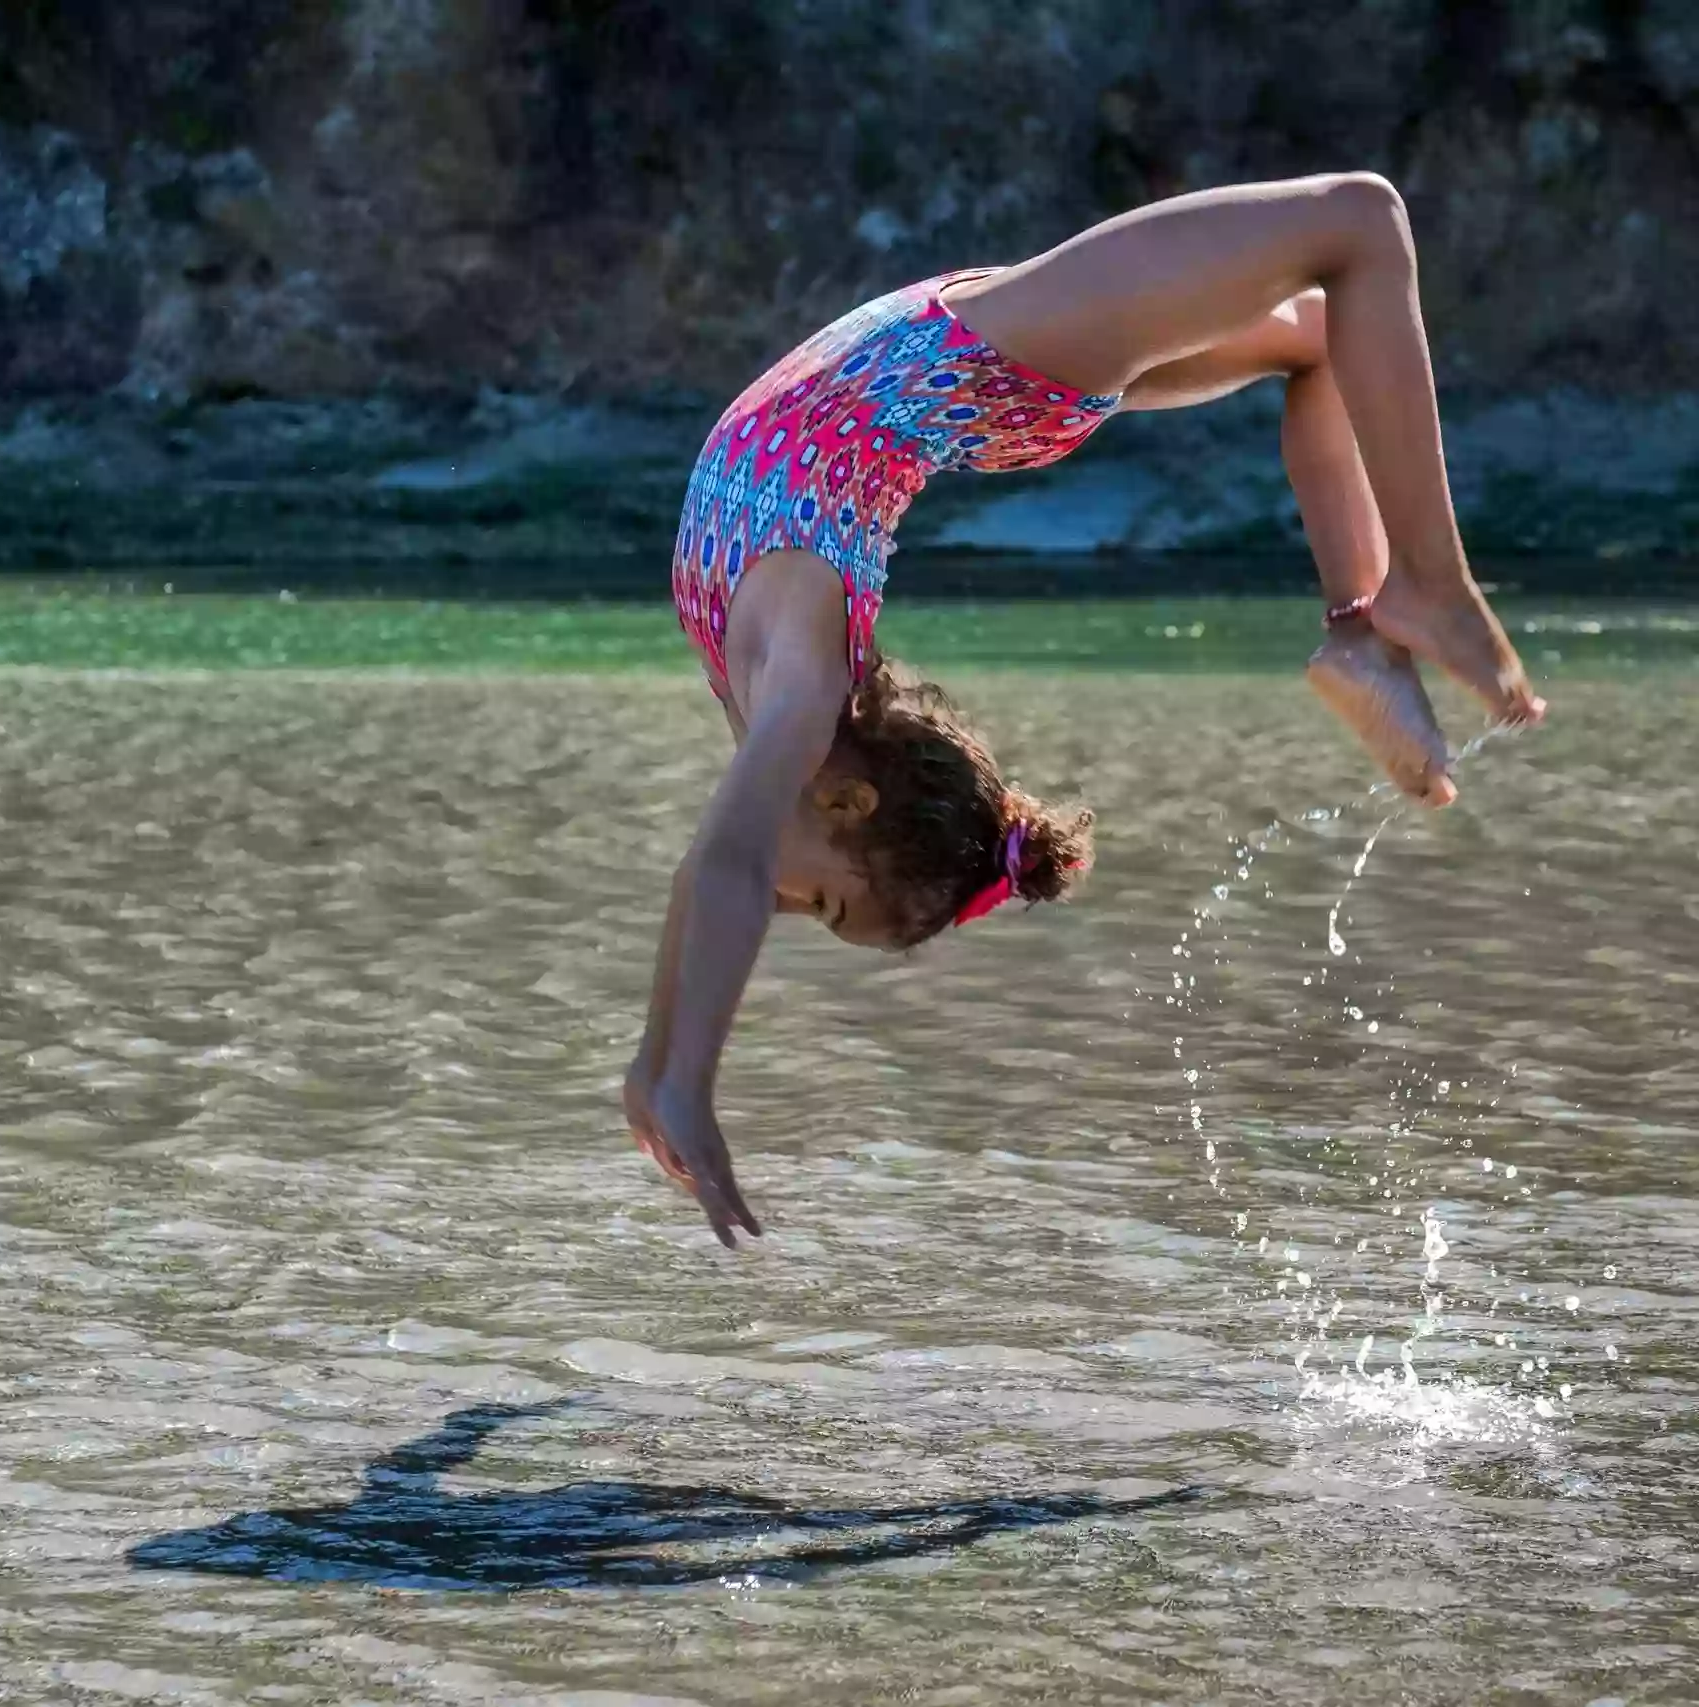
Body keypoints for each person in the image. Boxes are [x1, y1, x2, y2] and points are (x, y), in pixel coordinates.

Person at [625, 173, 1547, 1247]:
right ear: (851, 803)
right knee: (1355, 233)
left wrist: (660, 1067)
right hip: (984, 362)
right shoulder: (802, 685)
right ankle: (1395, 604)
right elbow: (725, 872)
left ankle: (1387, 612)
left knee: (1336, 287)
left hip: (970, 368)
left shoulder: (786, 700)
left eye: (816, 912)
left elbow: (714, 871)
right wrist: (681, 1072)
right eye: (819, 908)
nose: (780, 909)